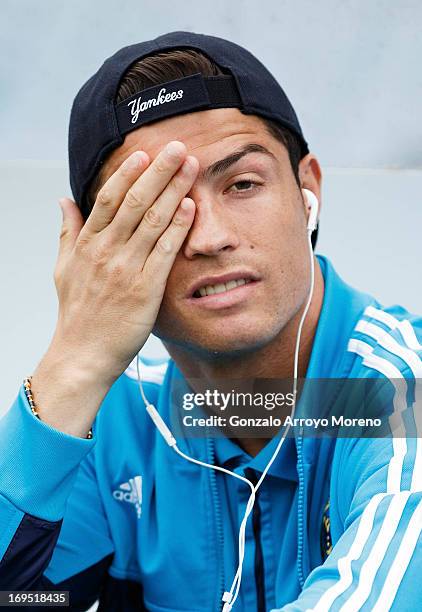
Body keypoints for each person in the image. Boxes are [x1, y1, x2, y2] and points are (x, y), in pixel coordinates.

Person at [0, 30, 420, 612]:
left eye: (243, 184)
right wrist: (74, 363)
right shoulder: (110, 415)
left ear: (308, 194)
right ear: (99, 250)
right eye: (159, 208)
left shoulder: (401, 396)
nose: (211, 238)